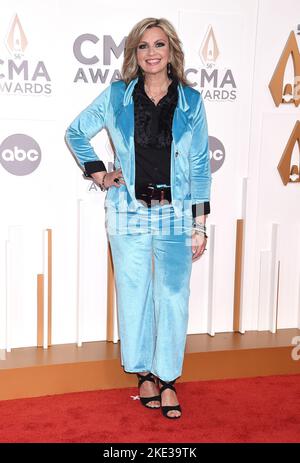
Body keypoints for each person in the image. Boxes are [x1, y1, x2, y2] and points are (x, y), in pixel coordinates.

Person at [66, 17, 211, 419]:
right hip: (128, 213)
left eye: (159, 45)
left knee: (173, 298)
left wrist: (199, 224)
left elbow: (199, 166)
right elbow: (76, 132)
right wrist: (100, 173)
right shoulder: (117, 95)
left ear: (171, 52)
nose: (151, 53)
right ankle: (143, 372)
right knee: (133, 296)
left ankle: (168, 379)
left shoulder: (191, 102)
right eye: (144, 46)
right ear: (135, 53)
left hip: (176, 215)